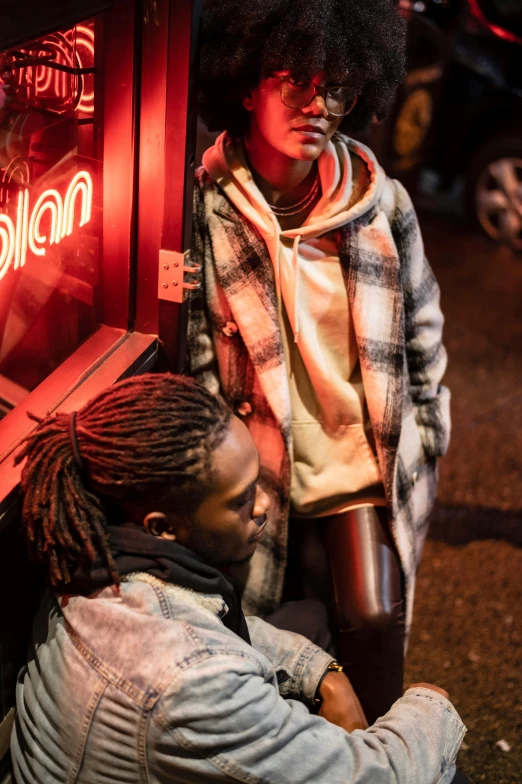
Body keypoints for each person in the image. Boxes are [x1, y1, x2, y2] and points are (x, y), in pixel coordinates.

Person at [188, 0, 451, 723]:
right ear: (245, 84)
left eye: (336, 86)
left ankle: (387, 761)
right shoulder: (204, 212)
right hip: (258, 472)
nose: (318, 104)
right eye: (295, 81)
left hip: (356, 466)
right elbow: (197, 363)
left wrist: (423, 436)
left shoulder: (379, 205)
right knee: (266, 663)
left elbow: (423, 339)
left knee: (371, 624)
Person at [10, 373, 465, 784]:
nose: (265, 504)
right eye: (240, 500)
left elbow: (204, 623)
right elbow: (374, 777)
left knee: (309, 619)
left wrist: (324, 675)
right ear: (163, 526)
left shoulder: (90, 551)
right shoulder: (191, 685)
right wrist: (432, 704)